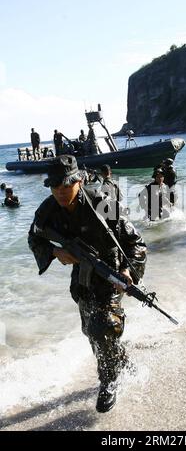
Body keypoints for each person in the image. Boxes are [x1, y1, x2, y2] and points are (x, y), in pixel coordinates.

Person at [28, 155, 147, 413]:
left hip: (112, 273)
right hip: (82, 277)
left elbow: (136, 243)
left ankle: (109, 381)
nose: (60, 191)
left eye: (65, 185)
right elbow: (34, 239)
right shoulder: (47, 211)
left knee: (101, 326)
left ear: (79, 181)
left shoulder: (104, 203)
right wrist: (54, 253)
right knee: (91, 332)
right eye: (54, 186)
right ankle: (121, 360)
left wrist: (128, 269)